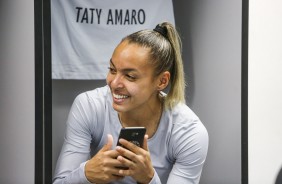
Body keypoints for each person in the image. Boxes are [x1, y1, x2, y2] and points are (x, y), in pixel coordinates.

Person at [53, 22, 209, 184]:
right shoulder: (90, 105)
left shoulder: (188, 132)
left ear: (162, 81)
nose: (114, 83)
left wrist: (149, 179)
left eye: (130, 76)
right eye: (112, 70)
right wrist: (86, 174)